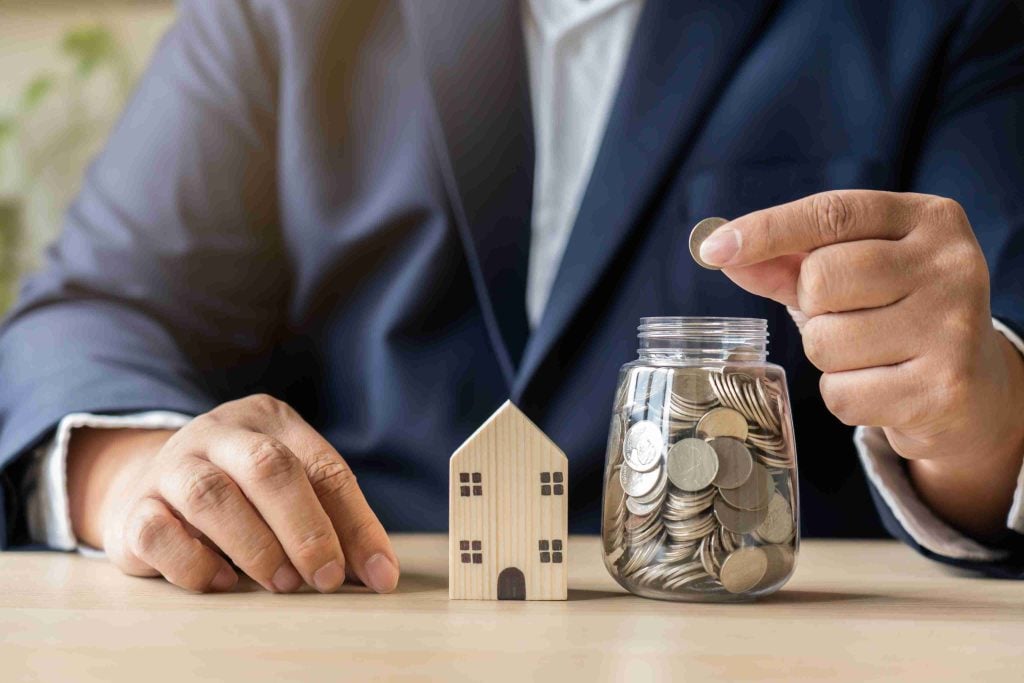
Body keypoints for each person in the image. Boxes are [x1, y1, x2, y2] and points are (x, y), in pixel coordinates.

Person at [1, 0, 1022, 594]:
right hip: (346, 606)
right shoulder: (280, 16)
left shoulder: (943, 14)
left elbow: (997, 355)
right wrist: (140, 470)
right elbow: (93, 311)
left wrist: (976, 426)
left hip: (756, 621)